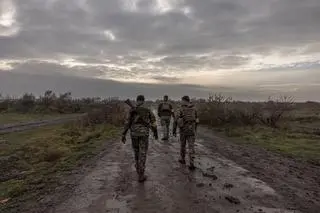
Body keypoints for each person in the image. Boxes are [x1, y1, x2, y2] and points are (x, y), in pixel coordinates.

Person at [122, 95, 158, 182]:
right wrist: (155, 132)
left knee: (136, 152)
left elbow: (127, 123)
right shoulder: (147, 110)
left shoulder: (132, 110)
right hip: (144, 134)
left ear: (137, 100)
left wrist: (123, 134)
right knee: (143, 153)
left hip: (134, 134)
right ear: (143, 101)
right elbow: (153, 123)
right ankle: (141, 174)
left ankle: (138, 169)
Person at [172, 96, 199, 170]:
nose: (181, 102)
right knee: (191, 146)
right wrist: (194, 129)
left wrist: (174, 130)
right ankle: (191, 163)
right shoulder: (194, 109)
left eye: (182, 100)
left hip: (183, 130)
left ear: (184, 101)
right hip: (191, 130)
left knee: (183, 145)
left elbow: (175, 120)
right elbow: (197, 120)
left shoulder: (180, 109)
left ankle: (182, 159)